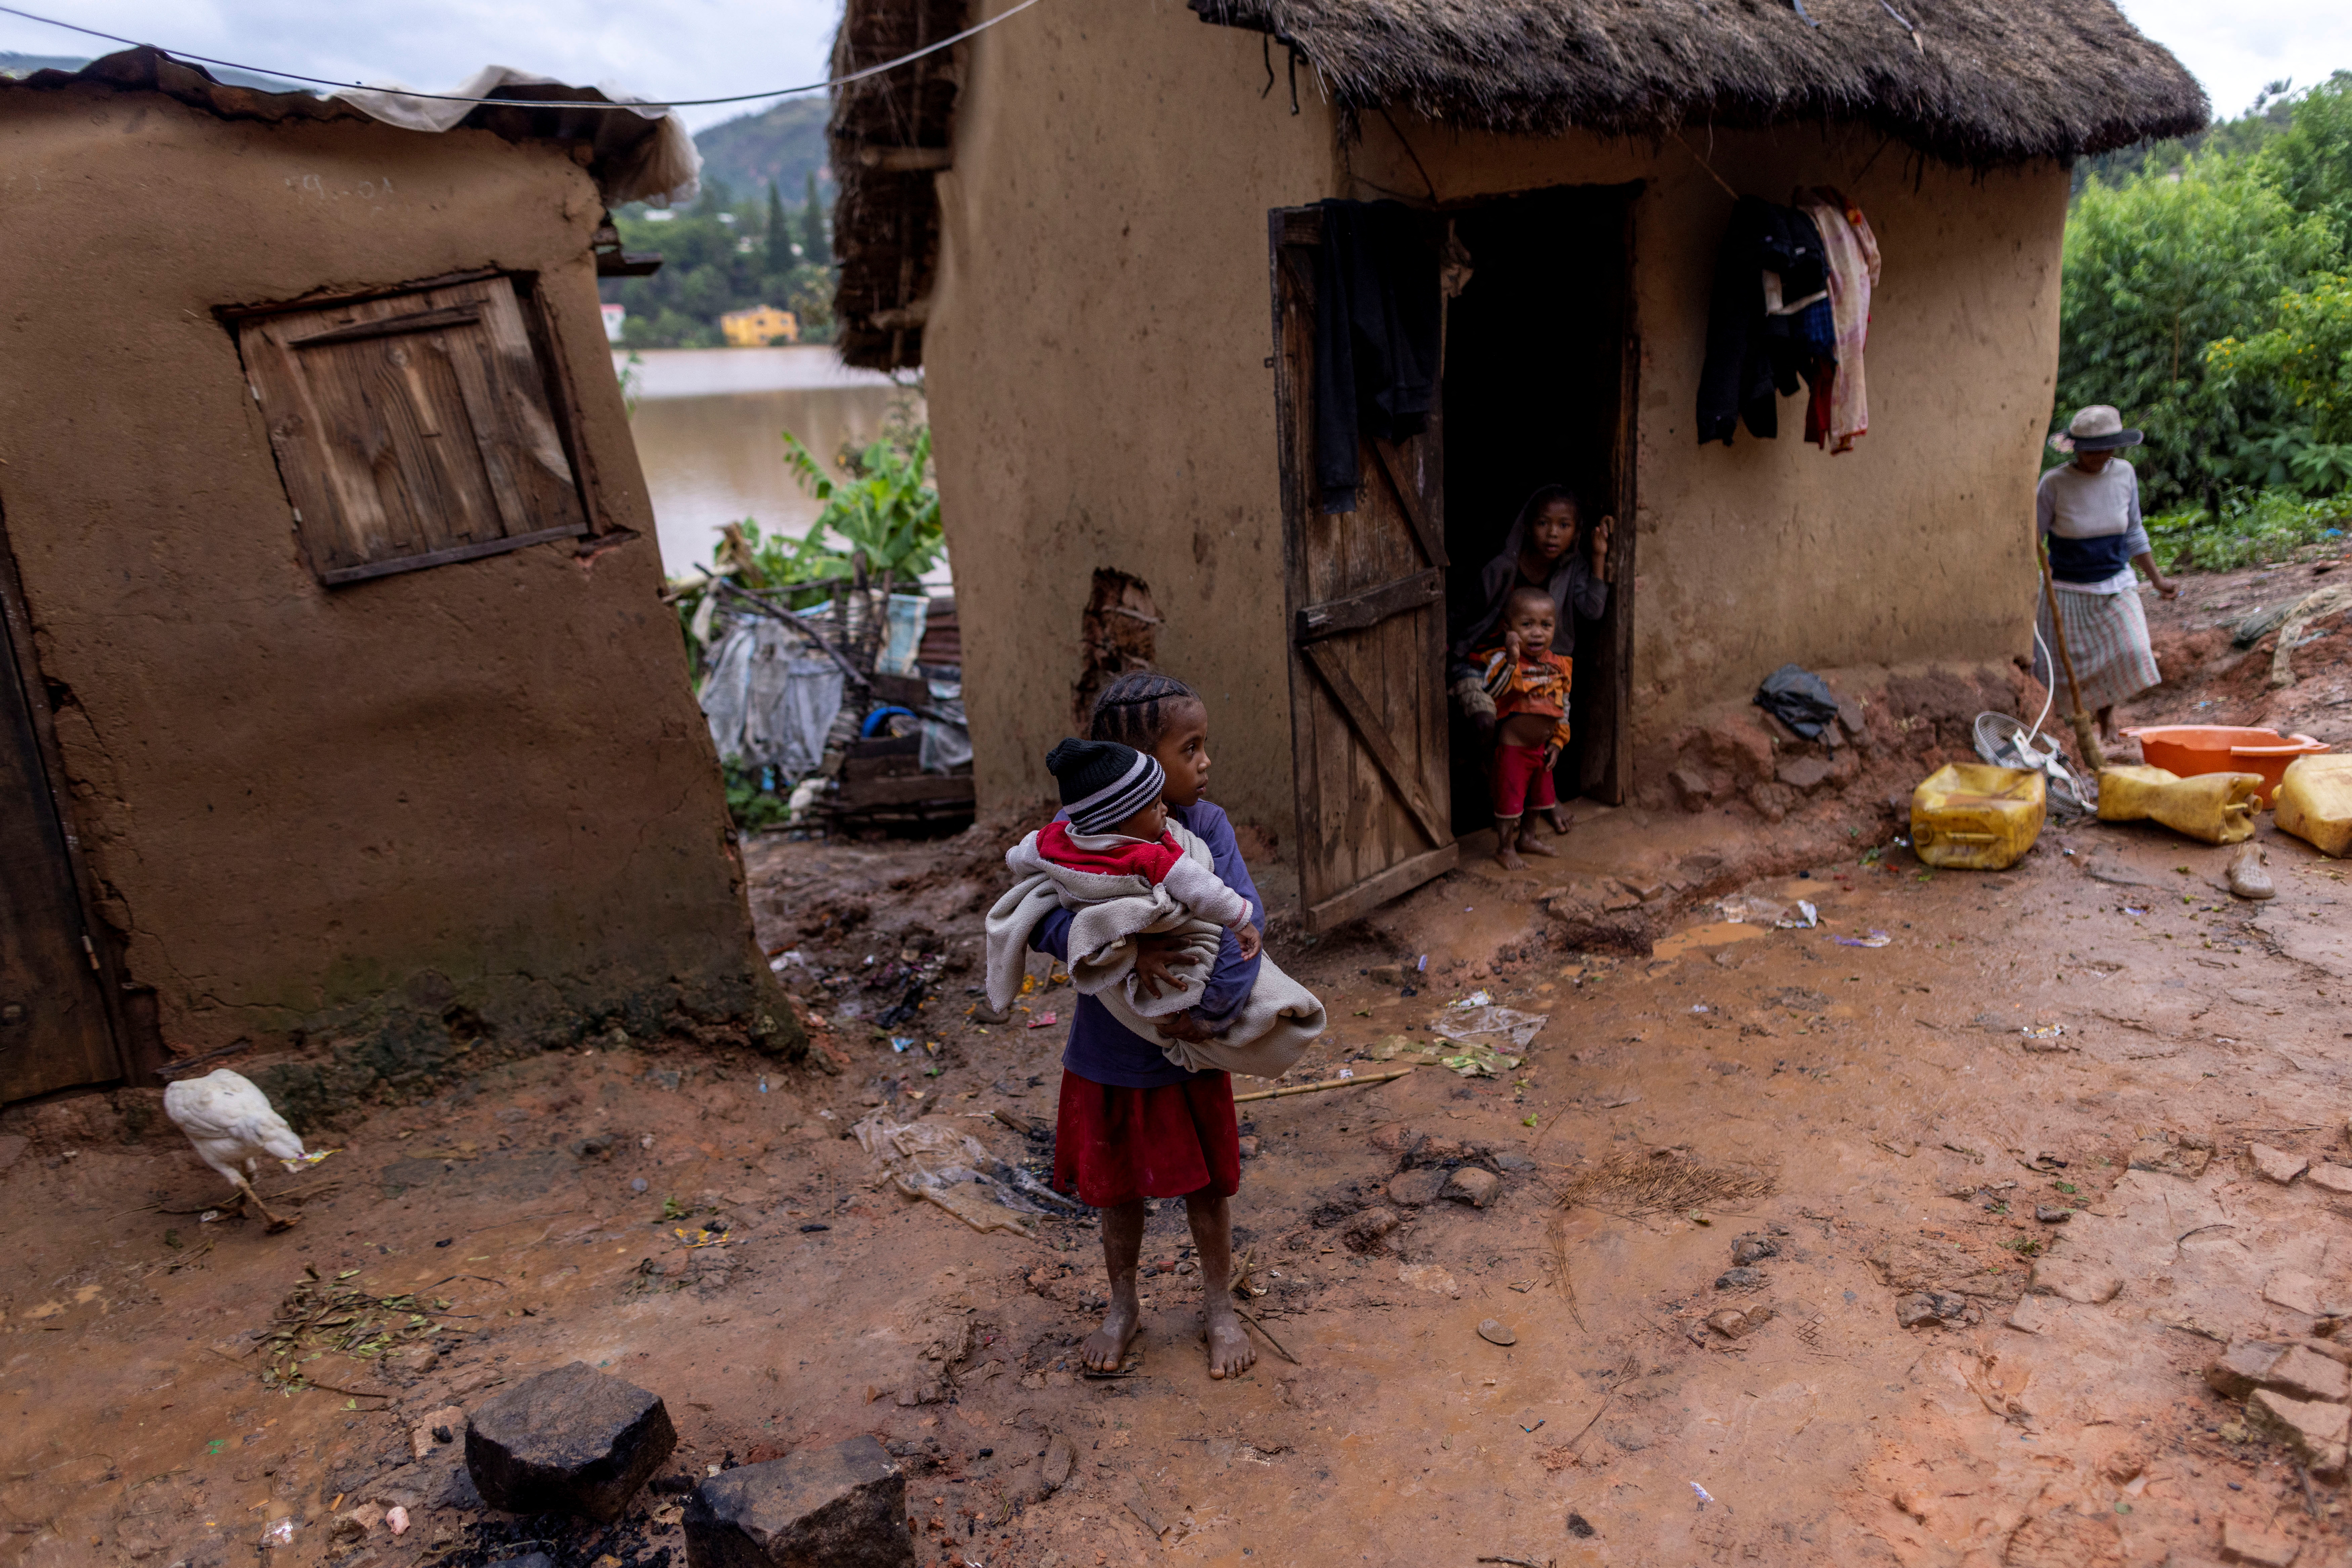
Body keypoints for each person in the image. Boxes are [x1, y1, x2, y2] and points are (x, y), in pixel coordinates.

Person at [1027, 671, 1261, 1381]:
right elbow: (1035, 913)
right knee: (1117, 1186)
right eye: (1189, 748)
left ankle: (1218, 1303)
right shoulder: (1072, 838)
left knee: (1206, 1187)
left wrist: (1208, 1010)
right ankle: (1123, 1303)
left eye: (1203, 746)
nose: (1205, 762)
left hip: (1188, 1043)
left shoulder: (1206, 828)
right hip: (1108, 1046)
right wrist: (1125, 945)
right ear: (1138, 765)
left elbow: (1243, 918)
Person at [1010, 737, 1261, 1017]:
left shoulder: (1056, 839)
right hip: (1141, 970)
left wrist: (1019, 864)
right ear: (1119, 823)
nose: (1165, 810)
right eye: (1155, 806)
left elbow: (1021, 855)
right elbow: (1200, 887)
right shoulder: (1147, 855)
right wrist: (1239, 919)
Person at [1450, 485, 1613, 831]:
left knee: (1546, 719)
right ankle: (1494, 788)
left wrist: (1599, 557)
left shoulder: (1575, 567)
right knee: (1486, 722)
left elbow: (1593, 610)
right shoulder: (1502, 566)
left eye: (1564, 525)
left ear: (1577, 532)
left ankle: (1540, 796)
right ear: (1527, 526)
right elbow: (1463, 616)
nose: (1553, 533)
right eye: (1543, 523)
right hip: (1486, 659)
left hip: (1540, 664)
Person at [2035, 405, 2179, 741]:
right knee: (2058, 666)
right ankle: (2069, 728)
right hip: (2066, 588)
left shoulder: (2124, 474)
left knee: (2131, 650)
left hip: (2116, 582)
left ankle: (2107, 718)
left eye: (2106, 448)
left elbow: (2134, 532)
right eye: (2091, 450)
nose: (2100, 455)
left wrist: (2157, 579)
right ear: (2076, 448)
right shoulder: (2054, 483)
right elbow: (2034, 538)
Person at [1476, 587, 1574, 870]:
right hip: (1514, 750)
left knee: (1539, 801)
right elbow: (1492, 691)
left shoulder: (1559, 666)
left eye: (1546, 625)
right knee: (1510, 804)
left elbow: (1563, 706)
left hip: (1541, 750)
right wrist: (1510, 658)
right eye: (1527, 625)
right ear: (1508, 628)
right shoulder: (1503, 660)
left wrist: (1557, 741)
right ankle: (1505, 848)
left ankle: (1527, 839)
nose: (1537, 633)